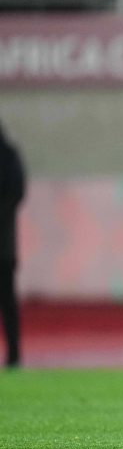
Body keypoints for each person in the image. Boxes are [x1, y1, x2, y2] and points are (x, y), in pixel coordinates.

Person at [0, 122, 25, 370]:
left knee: (7, 300)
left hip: (4, 245)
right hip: (5, 244)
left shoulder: (8, 156)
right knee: (8, 300)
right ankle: (14, 353)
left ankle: (14, 352)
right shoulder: (10, 155)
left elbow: (17, 192)